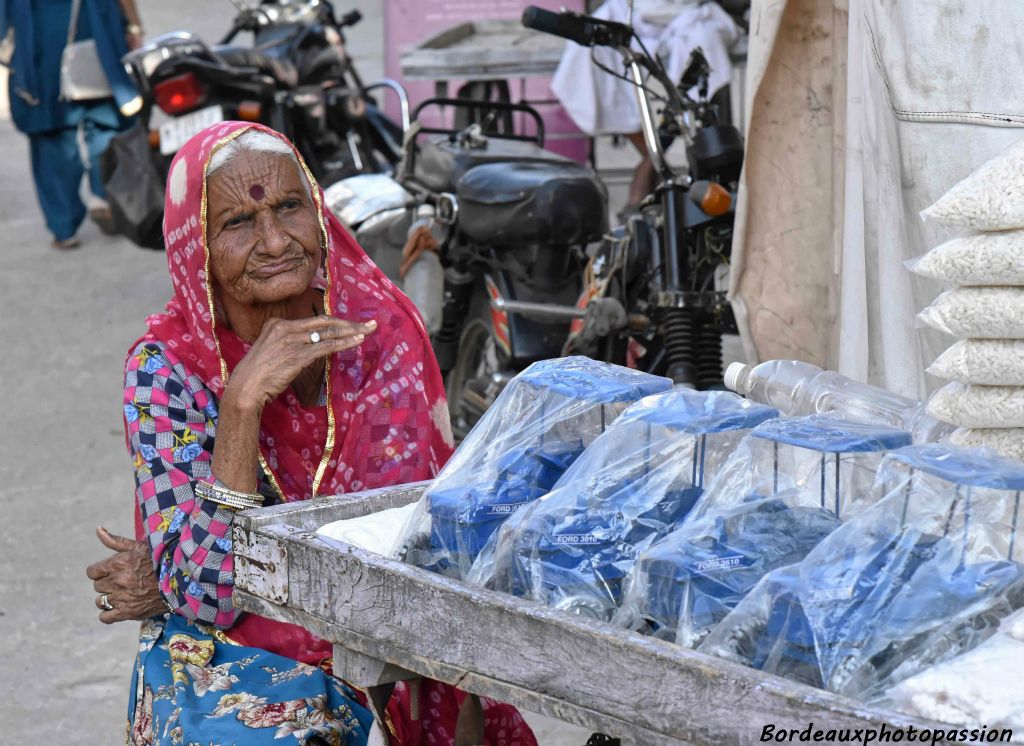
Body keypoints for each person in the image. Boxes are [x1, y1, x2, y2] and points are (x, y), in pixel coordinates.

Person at [86, 121, 537, 745]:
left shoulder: (379, 336)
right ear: (199, 250)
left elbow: (436, 537)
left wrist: (172, 570)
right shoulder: (167, 369)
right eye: (238, 222)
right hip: (242, 652)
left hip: (391, 638)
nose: (274, 240)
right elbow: (203, 597)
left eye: (290, 206)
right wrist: (242, 403)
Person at [0, 0, 143, 249]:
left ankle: (63, 226)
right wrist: (133, 25)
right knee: (104, 122)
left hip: (39, 39)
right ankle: (103, 195)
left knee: (51, 135)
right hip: (93, 30)